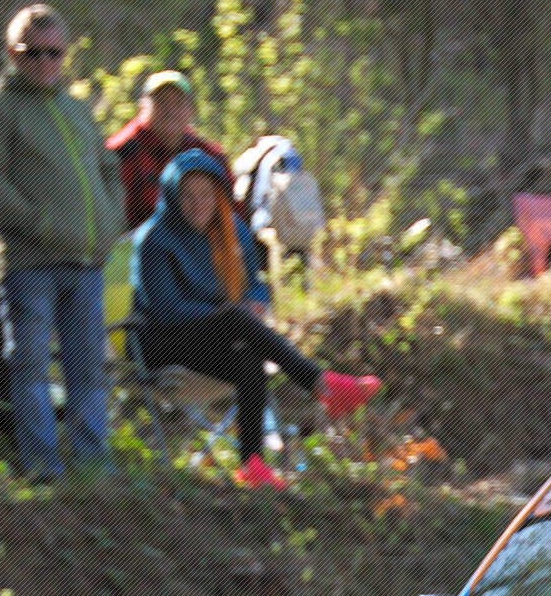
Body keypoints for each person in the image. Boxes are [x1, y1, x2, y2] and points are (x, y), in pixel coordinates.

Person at [131, 149, 380, 488]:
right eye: (187, 196)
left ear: (218, 195)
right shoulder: (155, 240)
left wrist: (256, 303)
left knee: (248, 356)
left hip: (213, 337)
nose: (198, 204)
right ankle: (321, 384)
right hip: (162, 344)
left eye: (205, 194)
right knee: (236, 318)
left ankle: (252, 464)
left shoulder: (230, 230)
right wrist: (228, 316)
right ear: (173, 197)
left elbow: (255, 283)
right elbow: (165, 310)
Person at [0, 4, 126, 478]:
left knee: (88, 368)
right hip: (30, 263)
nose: (45, 62)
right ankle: (42, 465)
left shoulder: (76, 110)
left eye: (54, 53)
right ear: (14, 55)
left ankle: (93, 464)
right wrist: (39, 223)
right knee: (31, 366)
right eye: (33, 53)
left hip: (86, 262)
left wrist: (110, 221)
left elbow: (109, 169)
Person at [108, 70, 229, 229]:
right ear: (143, 107)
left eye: (178, 103)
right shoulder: (121, 152)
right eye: (161, 102)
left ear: (191, 110)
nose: (170, 111)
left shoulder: (210, 156)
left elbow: (231, 213)